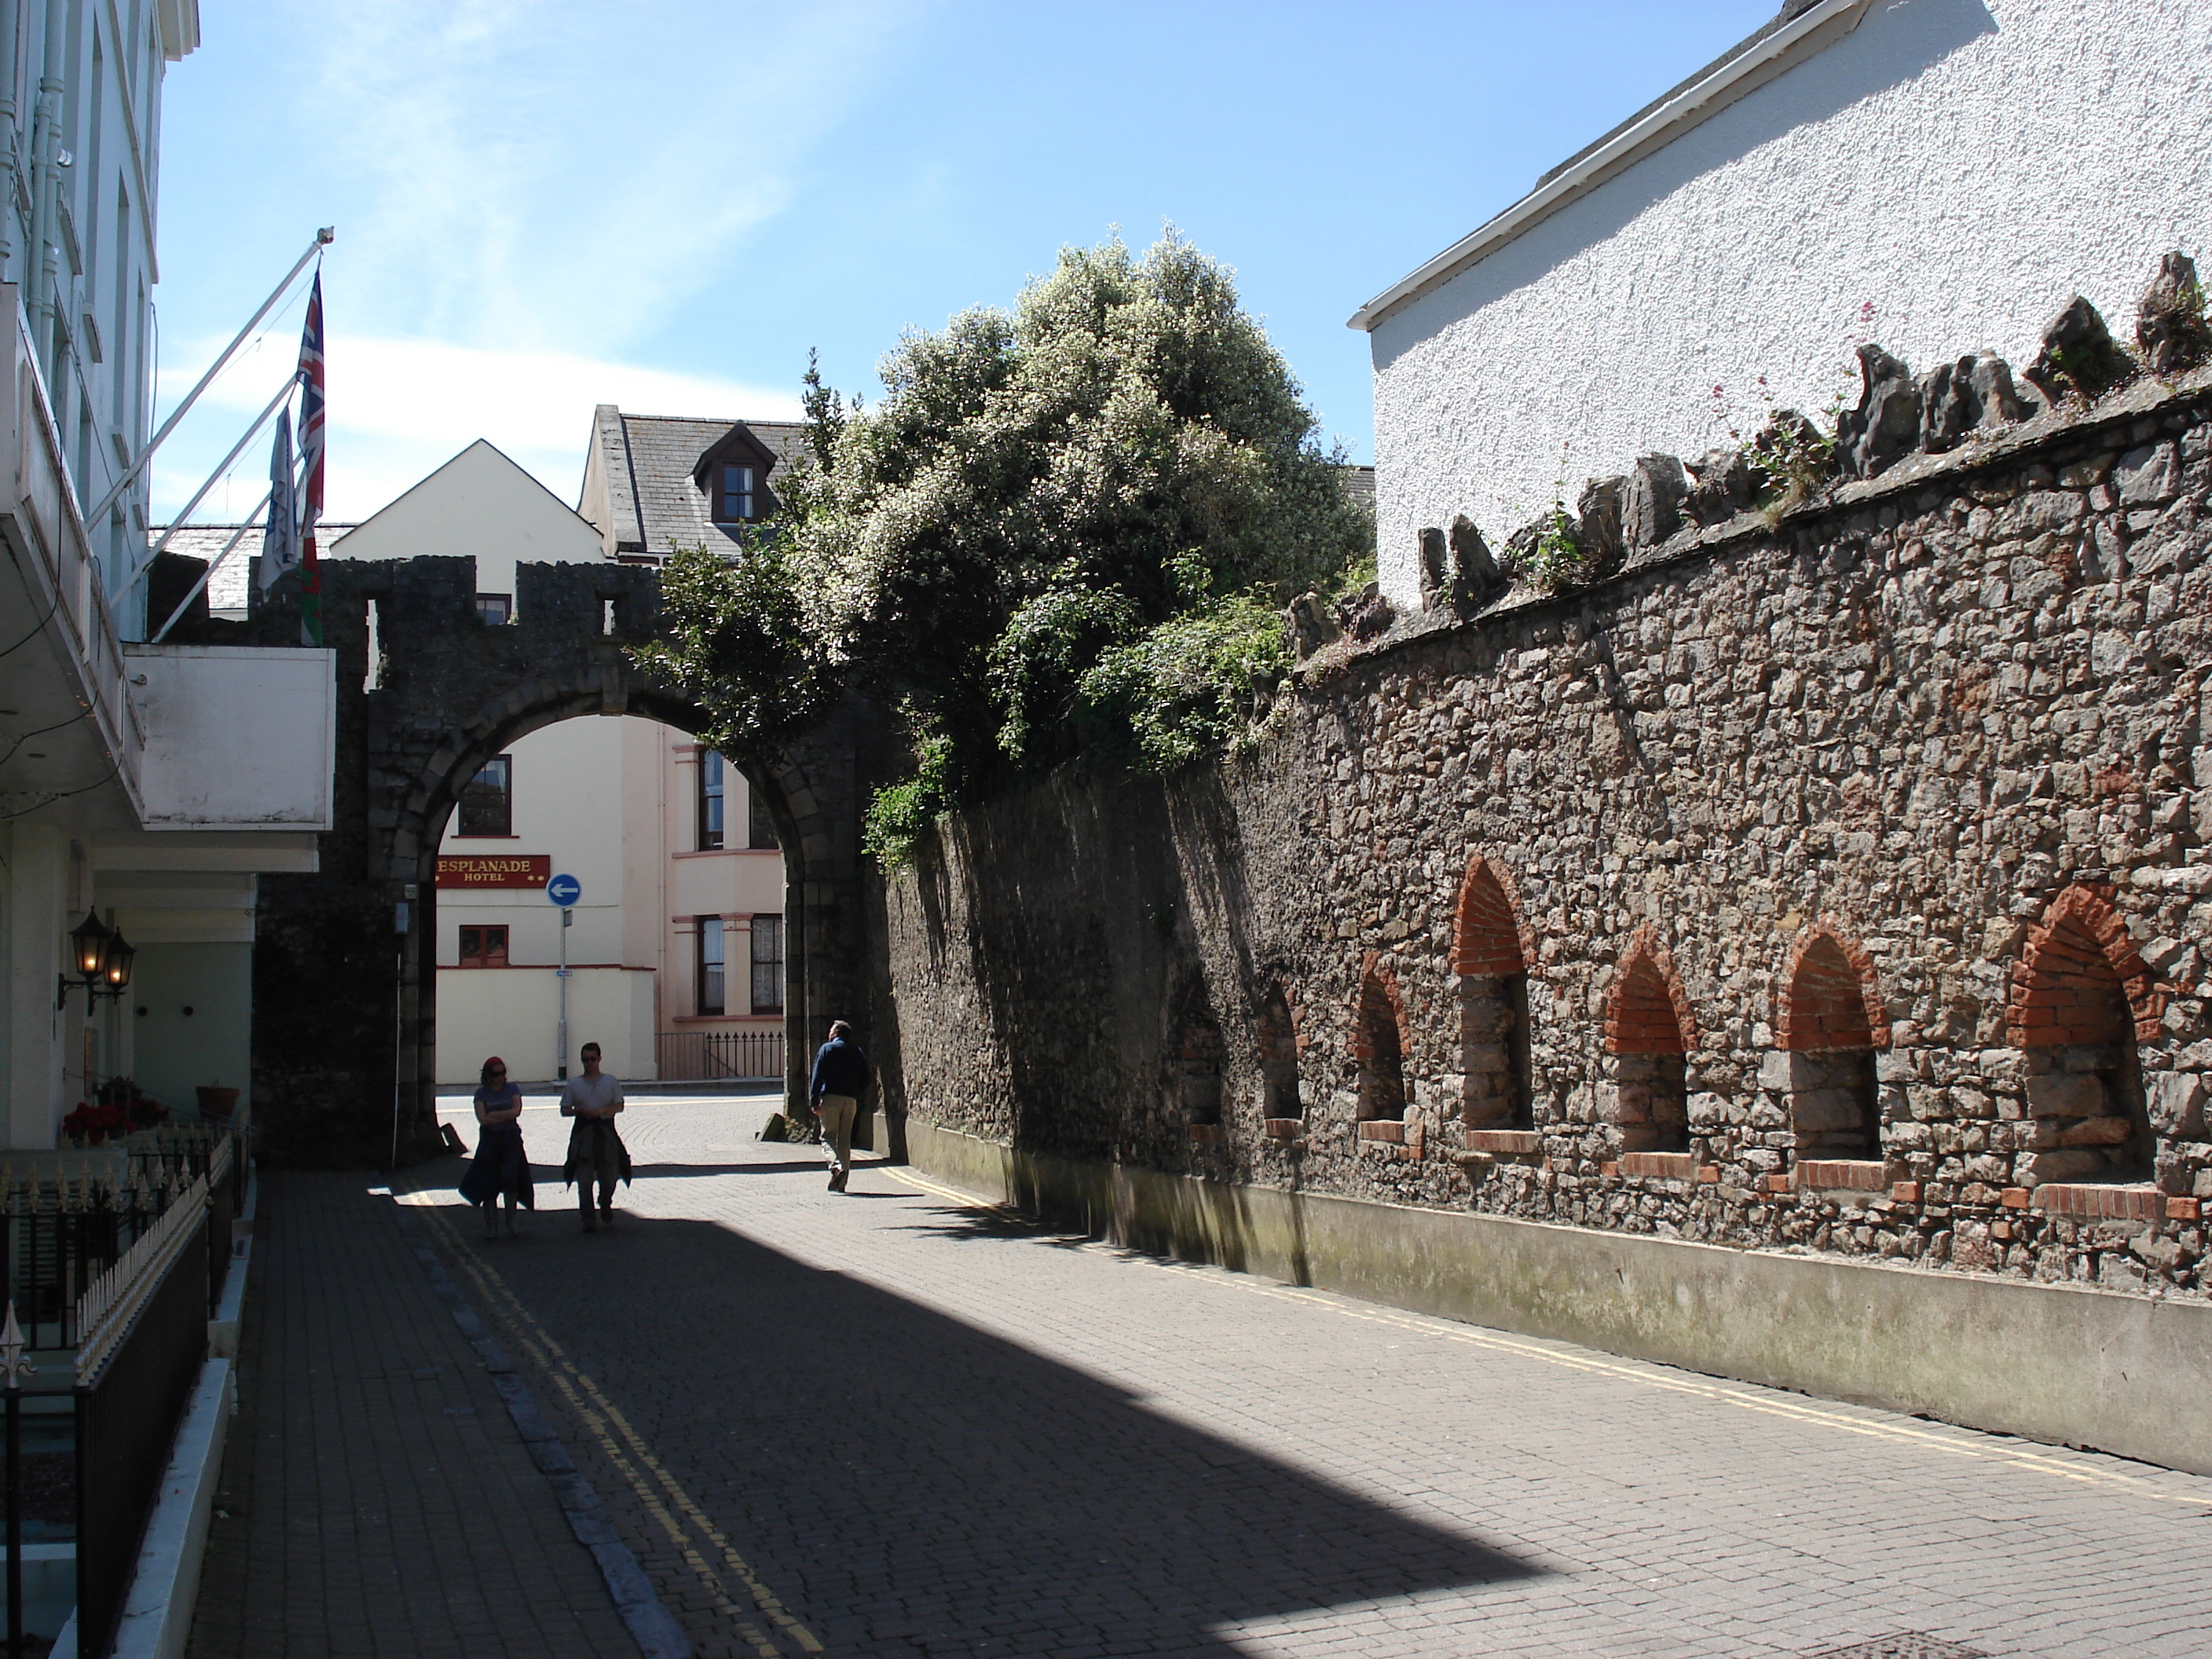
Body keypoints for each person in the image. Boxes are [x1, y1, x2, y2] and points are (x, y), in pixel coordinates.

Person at [560, 1041, 632, 1232]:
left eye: (592, 1059)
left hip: (605, 1131)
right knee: (584, 1179)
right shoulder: (574, 1084)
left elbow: (620, 1105)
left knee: (610, 1175)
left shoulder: (610, 1082)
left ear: (599, 1059)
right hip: (583, 1133)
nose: (589, 1063)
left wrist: (604, 1110)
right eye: (585, 1060)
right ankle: (588, 1218)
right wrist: (578, 1112)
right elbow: (564, 1109)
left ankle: (605, 1200)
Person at [458, 1057, 533, 1237]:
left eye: (502, 1073)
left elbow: (516, 1111)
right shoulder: (481, 1093)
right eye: (495, 1074)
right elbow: (482, 1119)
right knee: (489, 1181)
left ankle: (512, 1222)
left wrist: (494, 1114)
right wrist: (504, 1116)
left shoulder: (513, 1089)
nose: (500, 1077)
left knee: (510, 1178)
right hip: (490, 1141)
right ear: (488, 1076)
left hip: (510, 1140)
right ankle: (492, 1227)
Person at [808, 1020, 870, 1192]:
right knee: (844, 1140)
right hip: (850, 1100)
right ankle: (842, 1183)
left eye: (831, 1031)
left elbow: (817, 1076)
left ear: (835, 1033)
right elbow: (866, 1078)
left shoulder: (827, 1049)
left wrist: (814, 1101)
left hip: (830, 1098)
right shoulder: (857, 1051)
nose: (829, 1034)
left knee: (828, 1136)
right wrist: (855, 1094)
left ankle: (836, 1167)